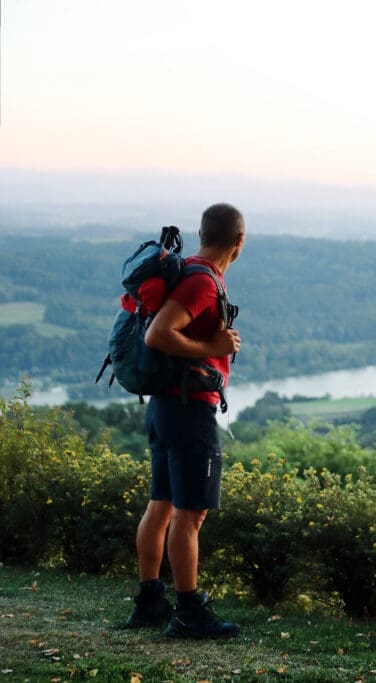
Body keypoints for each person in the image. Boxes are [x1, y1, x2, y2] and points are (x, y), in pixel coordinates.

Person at [124, 203, 245, 639]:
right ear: (239, 241)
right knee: (189, 516)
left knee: (161, 506)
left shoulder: (191, 270)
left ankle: (150, 601)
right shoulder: (202, 283)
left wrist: (211, 343)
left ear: (200, 234)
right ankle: (189, 611)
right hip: (189, 408)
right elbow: (159, 333)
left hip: (165, 407)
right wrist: (212, 346)